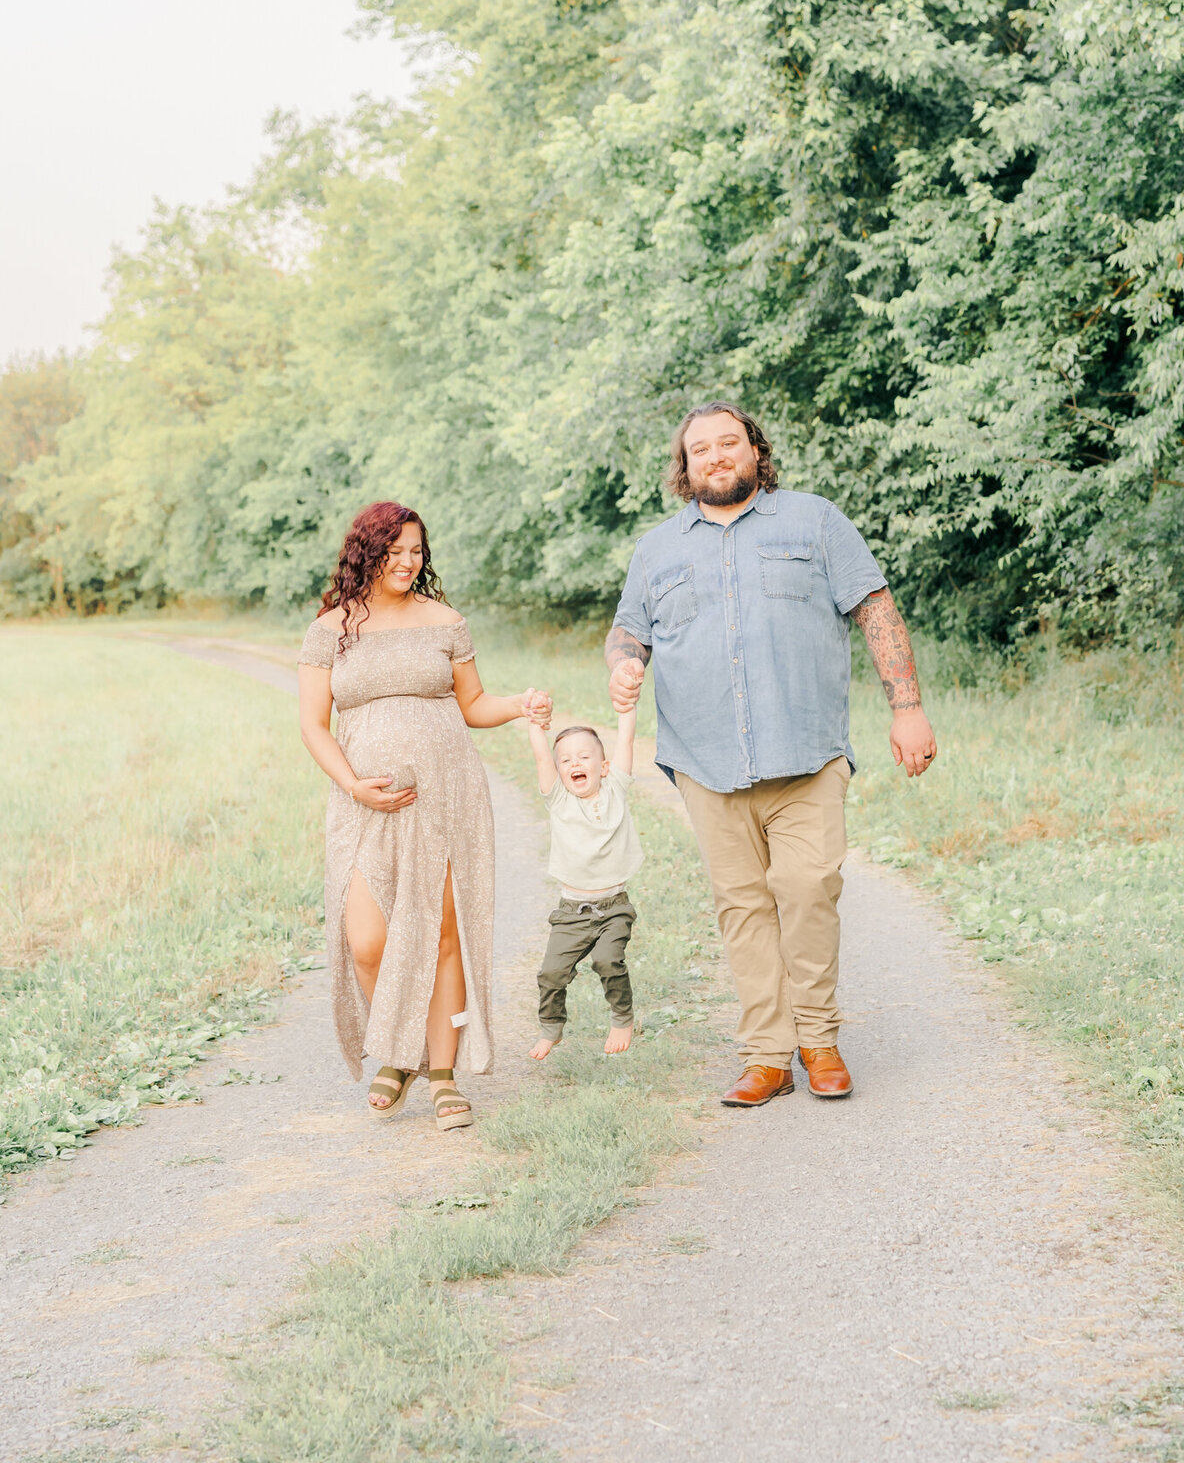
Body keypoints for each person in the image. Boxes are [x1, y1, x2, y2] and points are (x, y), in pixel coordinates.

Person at [605, 402, 937, 1109]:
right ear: (685, 467)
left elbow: (874, 608)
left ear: (756, 451)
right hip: (705, 762)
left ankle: (818, 1040)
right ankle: (766, 1056)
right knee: (743, 906)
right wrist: (624, 664)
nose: (717, 457)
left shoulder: (814, 521)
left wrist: (906, 707)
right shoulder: (657, 549)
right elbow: (628, 633)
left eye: (731, 443)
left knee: (808, 889)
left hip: (806, 753)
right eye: (702, 450)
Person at [298, 500, 552, 1131]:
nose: (407, 562)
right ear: (368, 551)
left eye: (416, 551)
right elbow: (312, 725)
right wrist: (355, 785)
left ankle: (440, 1074)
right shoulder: (333, 628)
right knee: (367, 940)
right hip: (365, 805)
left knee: (441, 938)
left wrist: (521, 703)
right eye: (395, 551)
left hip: (447, 797)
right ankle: (400, 1047)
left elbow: (473, 705)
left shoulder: (445, 621)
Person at [525, 704, 643, 1062]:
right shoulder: (559, 800)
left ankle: (622, 1018)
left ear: (604, 767)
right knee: (550, 974)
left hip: (613, 907)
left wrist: (627, 707)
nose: (574, 764)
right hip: (571, 912)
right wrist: (535, 723)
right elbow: (542, 759)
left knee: (608, 961)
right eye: (567, 761)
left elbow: (626, 739)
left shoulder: (615, 790)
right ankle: (551, 1027)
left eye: (584, 756)